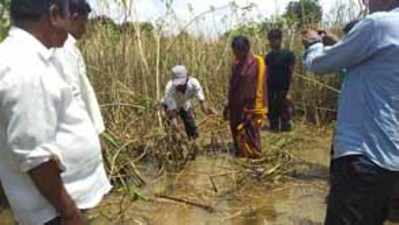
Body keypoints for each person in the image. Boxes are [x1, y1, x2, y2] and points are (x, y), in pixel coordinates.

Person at [0, 1, 112, 225]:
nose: (72, 25)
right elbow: (36, 158)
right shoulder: (24, 68)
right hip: (52, 211)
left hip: (57, 204)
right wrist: (70, 214)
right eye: (70, 14)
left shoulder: (37, 57)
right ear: (54, 15)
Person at [303, 0, 399, 224]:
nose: (365, 3)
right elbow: (373, 66)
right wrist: (337, 42)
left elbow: (319, 63)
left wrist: (313, 44)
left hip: (364, 157)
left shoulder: (379, 25)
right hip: (390, 159)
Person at [54, 0, 105, 136]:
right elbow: (74, 95)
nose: (85, 29)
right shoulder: (65, 48)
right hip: (77, 135)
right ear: (74, 18)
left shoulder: (64, 47)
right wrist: (92, 136)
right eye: (84, 23)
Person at [224, 36, 268, 158]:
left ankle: (254, 158)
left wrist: (258, 107)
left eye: (238, 51)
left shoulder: (258, 63)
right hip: (236, 106)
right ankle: (241, 155)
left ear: (246, 49)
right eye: (234, 51)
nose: (236, 54)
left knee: (251, 133)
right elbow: (232, 86)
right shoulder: (236, 65)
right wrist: (228, 103)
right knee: (237, 132)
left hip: (251, 106)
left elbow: (262, 86)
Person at [161, 65, 214, 139]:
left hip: (184, 104)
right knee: (172, 131)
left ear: (187, 78)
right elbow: (173, 113)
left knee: (192, 128)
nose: (179, 86)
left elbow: (202, 102)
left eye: (181, 83)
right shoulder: (169, 89)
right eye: (177, 84)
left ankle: (193, 142)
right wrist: (176, 126)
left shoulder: (194, 83)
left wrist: (209, 113)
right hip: (168, 106)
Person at [265, 29, 296, 132]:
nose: (272, 43)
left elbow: (292, 73)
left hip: (283, 89)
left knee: (284, 114)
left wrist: (289, 92)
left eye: (274, 40)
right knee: (272, 113)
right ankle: (274, 129)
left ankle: (285, 128)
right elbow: (267, 73)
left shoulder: (288, 55)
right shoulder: (268, 57)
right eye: (270, 40)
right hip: (271, 90)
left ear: (280, 39)